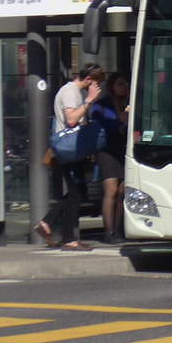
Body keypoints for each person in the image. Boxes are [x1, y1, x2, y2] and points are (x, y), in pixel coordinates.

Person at [35, 63, 104, 251]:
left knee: (77, 193)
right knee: (76, 194)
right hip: (69, 149)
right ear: (88, 79)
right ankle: (67, 238)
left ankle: (49, 224)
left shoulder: (73, 92)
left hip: (74, 150)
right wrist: (89, 100)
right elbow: (71, 120)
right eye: (96, 83)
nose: (97, 88)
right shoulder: (70, 92)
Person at [91, 73, 130, 243]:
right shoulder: (101, 105)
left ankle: (118, 230)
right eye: (120, 84)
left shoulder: (128, 103)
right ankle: (108, 231)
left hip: (123, 149)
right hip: (107, 150)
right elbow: (98, 126)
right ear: (112, 86)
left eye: (126, 84)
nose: (124, 87)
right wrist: (118, 120)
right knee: (111, 191)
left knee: (122, 191)